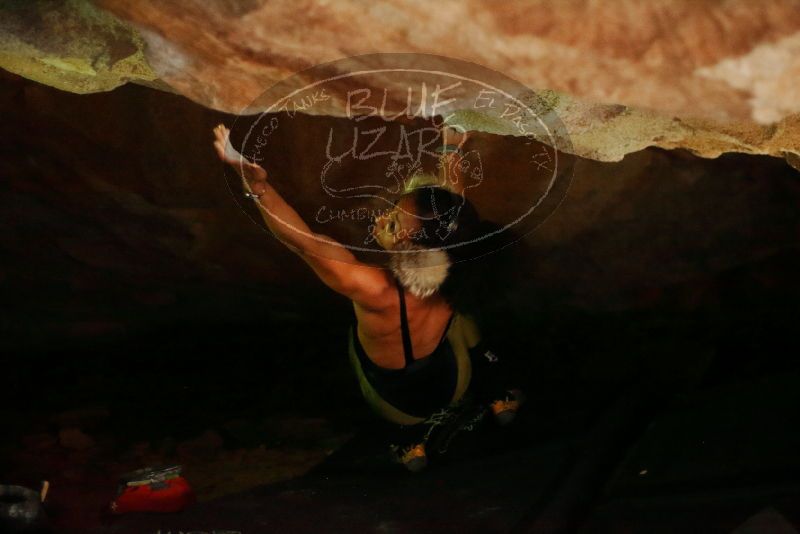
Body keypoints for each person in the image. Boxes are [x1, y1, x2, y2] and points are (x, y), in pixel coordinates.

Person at [213, 124, 524, 472]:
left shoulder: (371, 287)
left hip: (398, 406)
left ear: (406, 241)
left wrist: (257, 185)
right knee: (463, 321)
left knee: (356, 342)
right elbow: (452, 205)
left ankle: (409, 444)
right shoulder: (461, 260)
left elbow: (304, 241)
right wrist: (451, 151)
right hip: (454, 381)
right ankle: (498, 395)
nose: (382, 217)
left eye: (393, 219)